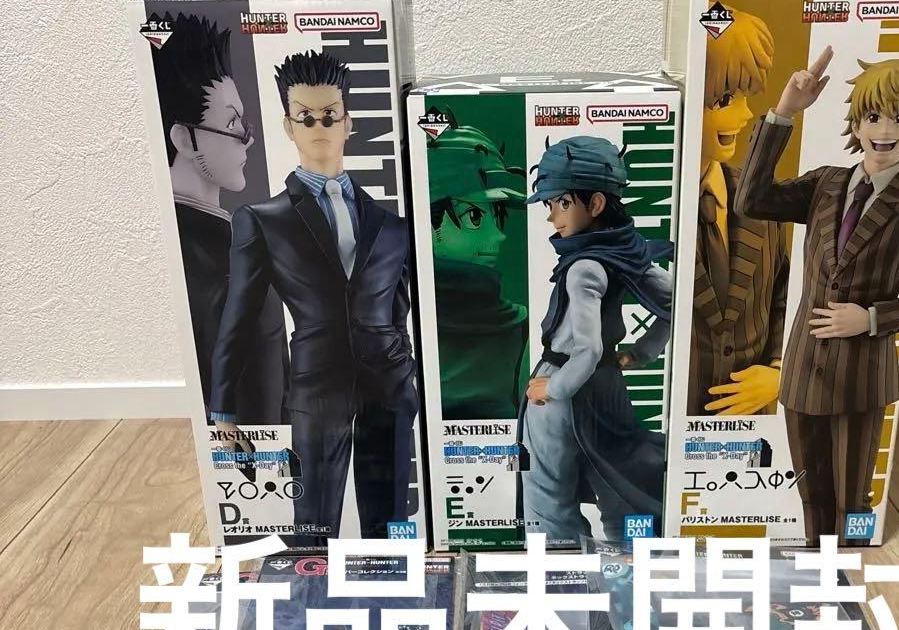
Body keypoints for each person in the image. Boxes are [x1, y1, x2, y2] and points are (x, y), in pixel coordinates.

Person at [210, 49, 418, 543]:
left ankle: (396, 585)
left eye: (330, 115)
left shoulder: (391, 225)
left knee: (391, 524)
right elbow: (238, 318)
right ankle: (309, 589)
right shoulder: (263, 219)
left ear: (348, 123)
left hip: (388, 386)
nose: (319, 126)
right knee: (312, 525)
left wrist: (405, 366)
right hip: (315, 386)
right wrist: (222, 410)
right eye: (305, 117)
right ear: (288, 126)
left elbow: (400, 306)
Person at [735, 49, 899, 544]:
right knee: (812, 493)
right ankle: (814, 565)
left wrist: (871, 318)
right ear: (856, 123)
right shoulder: (826, 183)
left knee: (852, 497)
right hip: (803, 370)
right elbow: (751, 199)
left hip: (861, 375)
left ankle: (849, 565)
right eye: (873, 116)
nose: (885, 130)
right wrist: (785, 110)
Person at [519, 136, 673, 545]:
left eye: (561, 203)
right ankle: (628, 564)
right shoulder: (628, 253)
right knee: (619, 479)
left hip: (564, 383)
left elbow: (587, 349)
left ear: (597, 203)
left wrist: (554, 387)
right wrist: (642, 352)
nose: (552, 217)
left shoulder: (583, 267)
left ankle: (563, 570)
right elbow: (677, 304)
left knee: (548, 495)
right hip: (607, 387)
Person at [150, 12, 288, 423]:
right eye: (232, 122)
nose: (247, 137)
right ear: (184, 138)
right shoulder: (231, 275)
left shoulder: (207, 243)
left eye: (242, 121)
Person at [688, 8, 790, 417]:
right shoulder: (648, 207)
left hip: (751, 423)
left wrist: (779, 370)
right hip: (671, 424)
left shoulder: (762, 200)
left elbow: (785, 293)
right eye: (725, 99)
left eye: (746, 96)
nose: (746, 114)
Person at [427, 116, 528, 418]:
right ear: (427, 223)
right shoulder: (395, 320)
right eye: (474, 217)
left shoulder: (523, 327)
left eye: (497, 217)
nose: (498, 236)